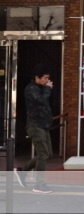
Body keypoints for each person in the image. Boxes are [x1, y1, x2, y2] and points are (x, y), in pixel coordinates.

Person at [14, 64, 55, 193]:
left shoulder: (41, 88)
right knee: (43, 154)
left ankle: (23, 171)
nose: (47, 80)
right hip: (35, 125)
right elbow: (40, 100)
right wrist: (48, 89)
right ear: (37, 77)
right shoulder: (31, 88)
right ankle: (39, 184)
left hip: (44, 125)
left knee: (47, 153)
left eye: (48, 78)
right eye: (45, 78)